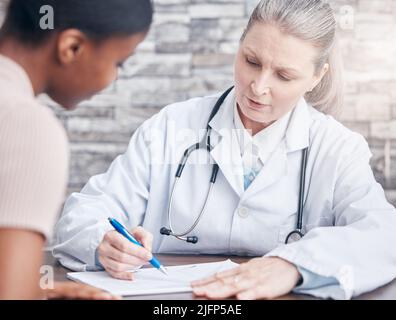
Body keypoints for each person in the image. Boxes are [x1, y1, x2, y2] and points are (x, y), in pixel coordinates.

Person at [52, 0, 396, 300]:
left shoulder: (337, 149)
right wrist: (103, 242)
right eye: (252, 61)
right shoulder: (171, 127)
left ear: (316, 77)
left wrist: (293, 265)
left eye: (284, 76)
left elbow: (384, 237)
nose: (258, 87)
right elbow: (80, 215)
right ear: (240, 45)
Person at [0, 0, 153, 299]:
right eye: (118, 63)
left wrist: (39, 292)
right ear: (71, 47)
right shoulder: (26, 126)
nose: (115, 78)